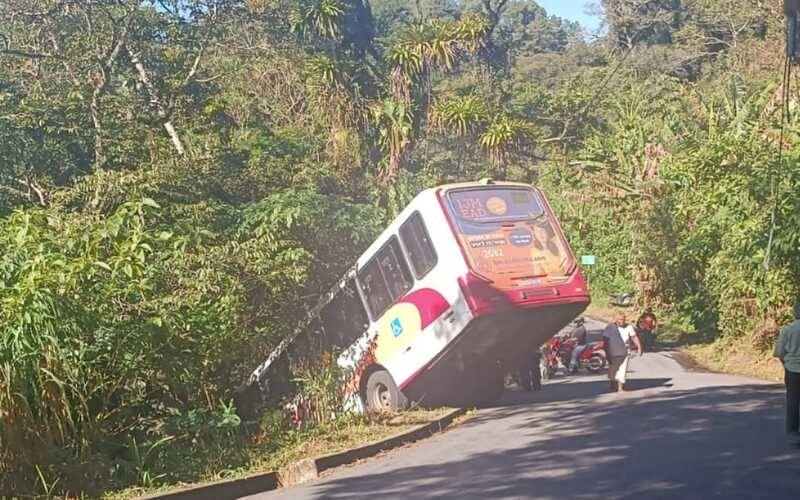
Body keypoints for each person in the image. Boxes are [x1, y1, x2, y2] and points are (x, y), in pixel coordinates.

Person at [774, 302, 800, 441]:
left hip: (792, 370)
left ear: (795, 314)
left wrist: (786, 364)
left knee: (793, 401)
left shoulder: (787, 330)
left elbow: (779, 352)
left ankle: (793, 432)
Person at [603, 313, 643, 392]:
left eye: (623, 319)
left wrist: (639, 348)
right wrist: (606, 352)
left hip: (624, 352)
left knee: (622, 370)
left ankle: (620, 388)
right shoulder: (610, 327)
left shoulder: (629, 327)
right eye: (620, 319)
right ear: (616, 320)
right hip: (612, 352)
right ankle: (612, 384)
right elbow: (605, 340)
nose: (622, 321)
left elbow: (634, 337)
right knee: (613, 369)